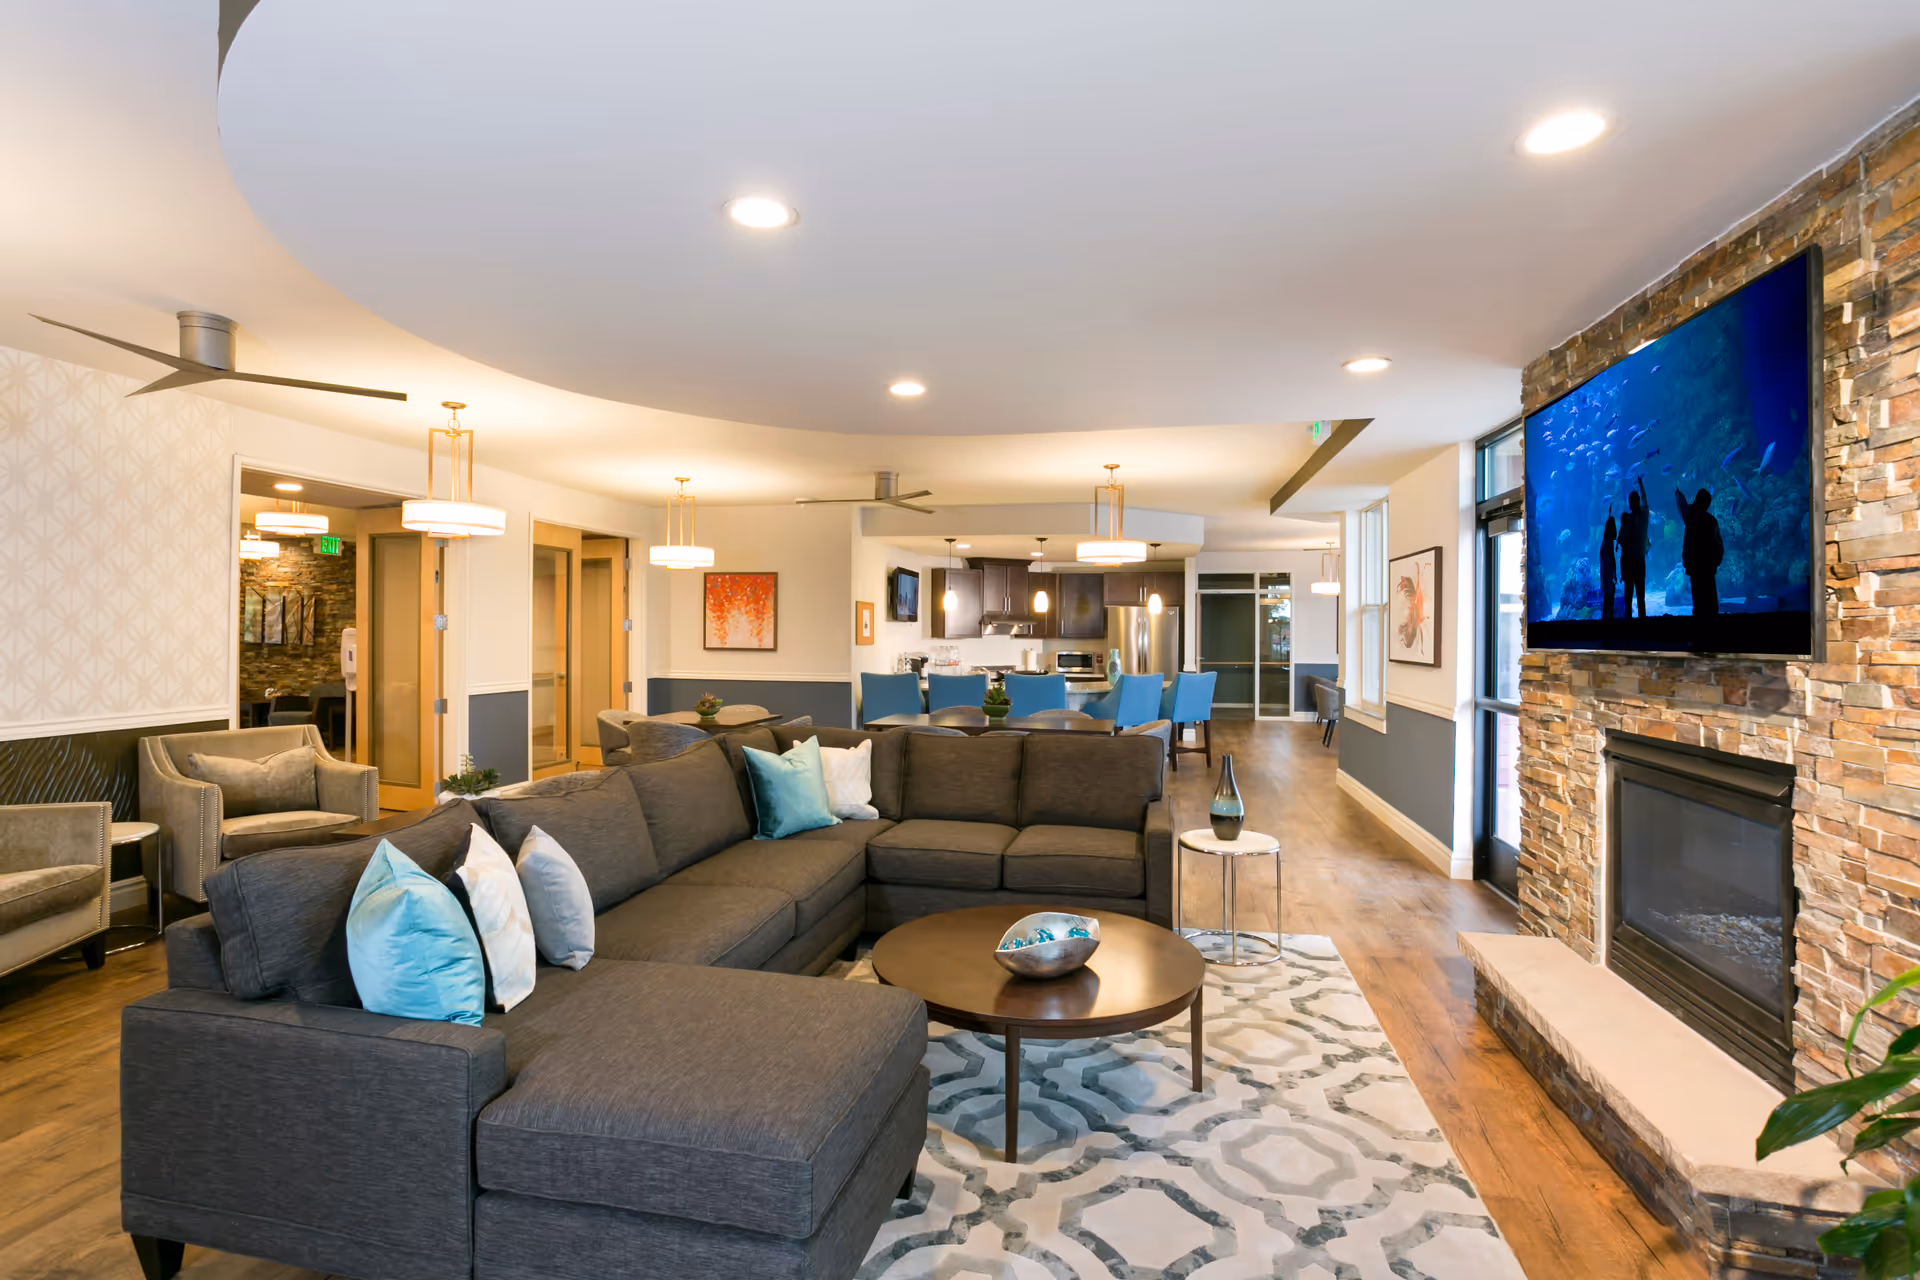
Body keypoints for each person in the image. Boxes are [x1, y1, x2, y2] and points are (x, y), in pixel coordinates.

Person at [1674, 486, 1723, 618]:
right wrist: (1717, 561)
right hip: (1708, 566)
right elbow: (1719, 544)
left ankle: (1700, 627)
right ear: (1707, 503)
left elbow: (1682, 506)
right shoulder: (1711, 521)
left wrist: (1678, 494)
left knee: (1698, 599)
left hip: (1695, 565)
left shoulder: (1690, 516)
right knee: (1710, 597)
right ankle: (1711, 625)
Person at [1618, 477, 1649, 620]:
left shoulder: (1627, 521)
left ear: (1630, 504)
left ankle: (1629, 630)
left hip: (1629, 564)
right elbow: (1645, 500)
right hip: (1639, 562)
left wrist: (1622, 570)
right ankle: (1642, 627)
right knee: (1640, 598)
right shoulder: (1644, 516)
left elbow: (1623, 546)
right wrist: (1641, 484)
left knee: (1628, 598)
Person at [1599, 504, 1617, 621]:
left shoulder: (1604, 543)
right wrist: (1614, 574)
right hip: (1608, 575)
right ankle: (1608, 625)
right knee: (1608, 602)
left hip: (1605, 575)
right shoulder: (1608, 544)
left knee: (1607, 600)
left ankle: (1607, 625)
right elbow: (1611, 560)